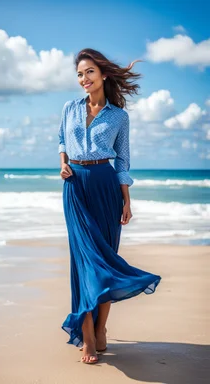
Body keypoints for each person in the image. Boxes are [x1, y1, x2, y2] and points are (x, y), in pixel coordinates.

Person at [58, 48, 161, 364]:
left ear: (102, 74)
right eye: (79, 74)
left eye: (89, 72)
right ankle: (87, 337)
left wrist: (126, 199)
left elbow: (124, 160)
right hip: (75, 186)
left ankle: (101, 328)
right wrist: (63, 163)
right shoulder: (69, 108)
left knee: (105, 257)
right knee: (84, 260)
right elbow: (62, 139)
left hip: (105, 186)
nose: (83, 79)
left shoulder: (119, 116)